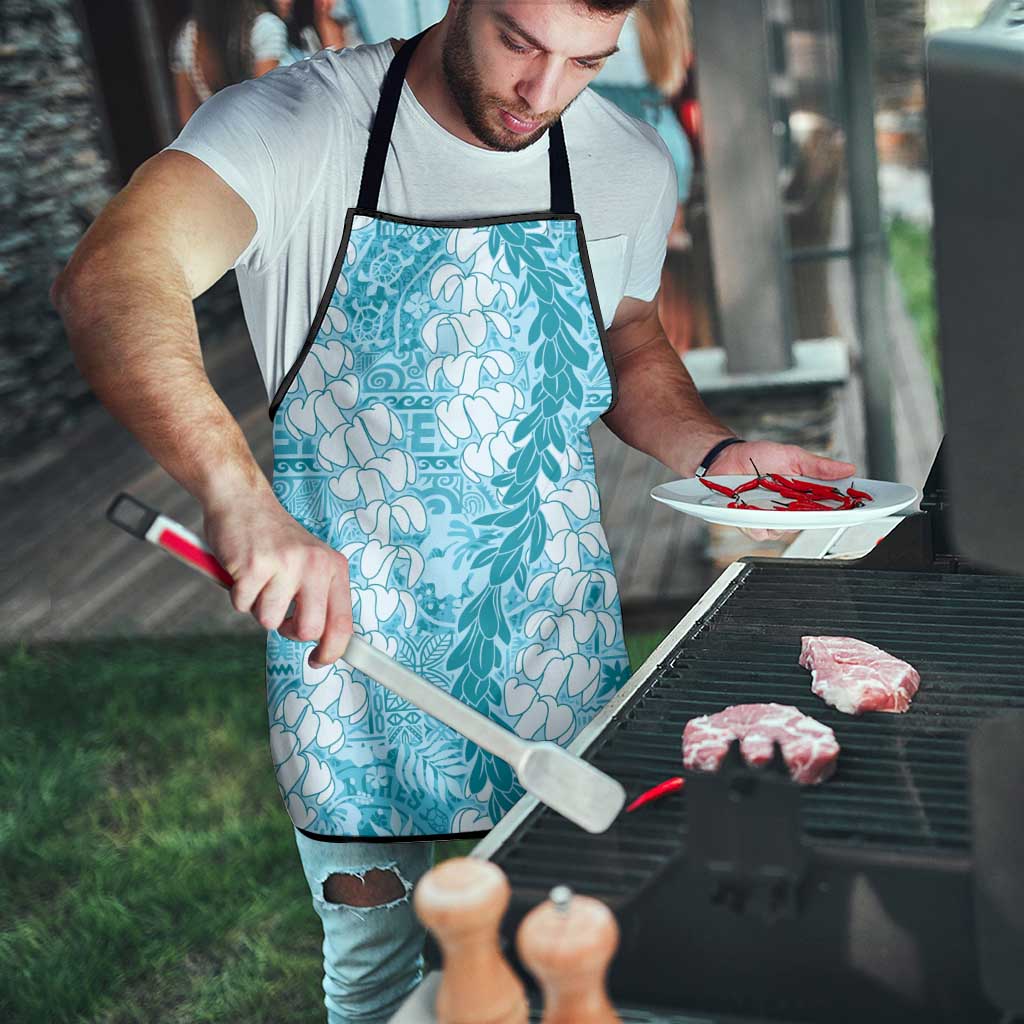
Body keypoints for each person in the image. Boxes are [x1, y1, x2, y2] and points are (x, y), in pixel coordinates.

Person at [52, 2, 856, 1019]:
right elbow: (113, 275)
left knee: (578, 952)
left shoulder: (624, 159)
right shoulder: (298, 124)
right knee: (380, 978)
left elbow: (628, 336)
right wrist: (237, 496)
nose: (543, 93)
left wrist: (717, 449)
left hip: (551, 637)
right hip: (348, 659)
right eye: (521, 42)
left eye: (585, 62)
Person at [169, 0, 288, 127]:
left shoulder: (188, 37)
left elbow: (187, 120)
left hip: (215, 140)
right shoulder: (266, 27)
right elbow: (266, 107)